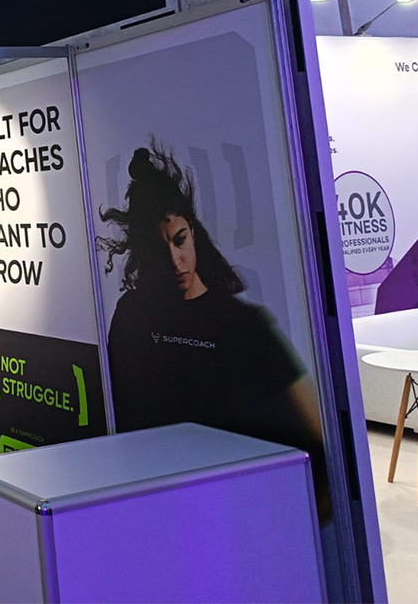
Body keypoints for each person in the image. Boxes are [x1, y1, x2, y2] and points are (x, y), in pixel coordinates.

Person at [98, 143, 327, 515]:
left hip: (243, 508)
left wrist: (307, 516)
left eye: (180, 240)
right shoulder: (131, 314)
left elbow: (320, 434)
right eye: (160, 248)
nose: (176, 261)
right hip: (158, 506)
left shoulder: (245, 324)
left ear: (193, 232)